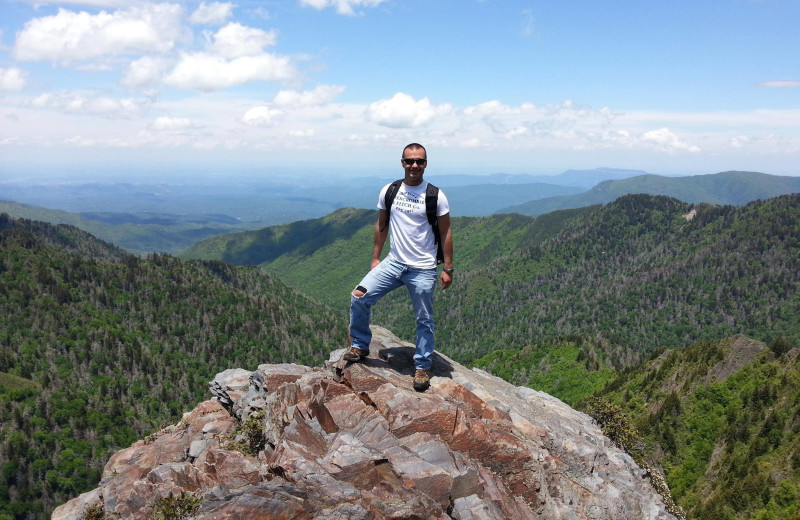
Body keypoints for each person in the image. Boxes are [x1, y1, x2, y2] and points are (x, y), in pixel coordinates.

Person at [345, 143, 454, 392]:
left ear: (426, 163)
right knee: (359, 296)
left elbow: (446, 232)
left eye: (420, 161)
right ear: (402, 162)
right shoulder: (390, 190)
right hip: (393, 262)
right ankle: (360, 345)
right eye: (409, 161)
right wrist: (376, 258)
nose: (414, 165)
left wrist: (448, 268)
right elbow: (381, 225)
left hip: (423, 268)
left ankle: (422, 367)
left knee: (424, 319)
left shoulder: (436, 196)